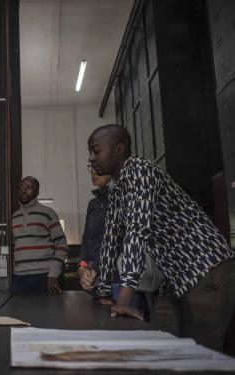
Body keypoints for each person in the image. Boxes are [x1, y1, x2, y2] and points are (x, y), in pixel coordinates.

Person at [88, 123, 235, 352]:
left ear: (118, 149)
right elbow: (111, 241)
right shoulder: (117, 190)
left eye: (96, 150)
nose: (92, 158)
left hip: (208, 270)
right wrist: (104, 292)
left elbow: (137, 232)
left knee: (198, 357)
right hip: (176, 279)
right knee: (160, 347)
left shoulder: (141, 170)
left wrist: (123, 300)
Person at [78, 167, 149, 319]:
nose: (93, 172)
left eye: (98, 167)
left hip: (120, 281)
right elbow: (86, 239)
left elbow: (122, 239)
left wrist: (94, 268)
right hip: (96, 281)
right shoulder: (93, 204)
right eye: (91, 168)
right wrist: (82, 268)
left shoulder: (125, 197)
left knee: (129, 334)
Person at [11, 176, 68, 293]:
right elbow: (14, 247)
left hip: (44, 277)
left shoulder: (48, 213)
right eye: (21, 187)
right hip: (19, 278)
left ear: (37, 192)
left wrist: (53, 275)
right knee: (17, 311)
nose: (23, 190)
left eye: (29, 187)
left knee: (45, 311)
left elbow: (62, 245)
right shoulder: (14, 217)